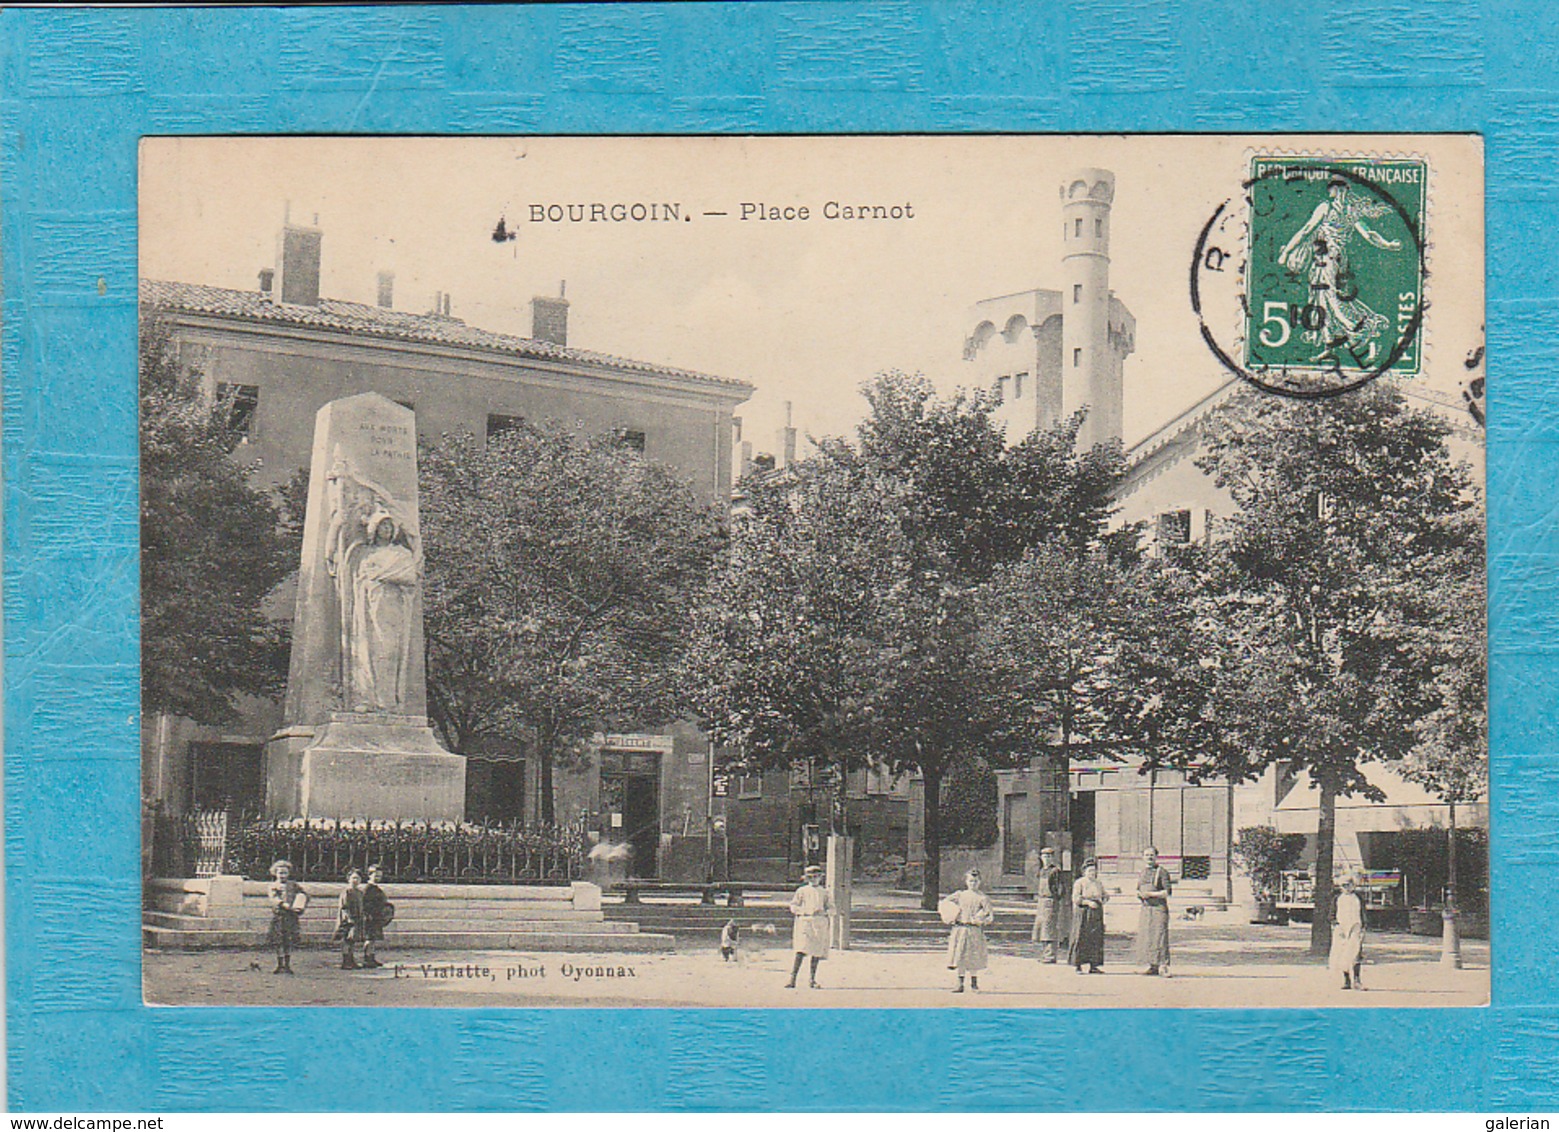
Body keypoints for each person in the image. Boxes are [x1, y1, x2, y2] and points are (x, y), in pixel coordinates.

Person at [945, 869, 995, 993]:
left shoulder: (983, 898)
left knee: (973, 957)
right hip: (960, 929)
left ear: (980, 882)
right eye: (971, 881)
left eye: (976, 881)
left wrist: (981, 920)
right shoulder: (960, 895)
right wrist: (951, 915)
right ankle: (960, 984)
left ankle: (974, 984)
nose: (973, 883)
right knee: (960, 956)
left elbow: (990, 916)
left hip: (974, 930)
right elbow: (945, 904)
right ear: (966, 881)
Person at [785, 864, 834, 989]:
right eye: (811, 877)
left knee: (816, 951)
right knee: (801, 950)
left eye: (816, 877)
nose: (814, 879)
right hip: (805, 922)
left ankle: (812, 979)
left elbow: (832, 908)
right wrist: (803, 911)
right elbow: (793, 906)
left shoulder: (825, 892)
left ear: (820, 877)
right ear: (807, 878)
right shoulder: (802, 891)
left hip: (819, 923)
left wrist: (825, 912)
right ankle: (792, 979)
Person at [1135, 847, 1173, 976]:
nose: (1149, 857)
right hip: (1146, 909)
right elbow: (1138, 889)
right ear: (1143, 857)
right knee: (1148, 937)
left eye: (1152, 855)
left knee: (1160, 936)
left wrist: (1150, 894)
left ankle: (1163, 966)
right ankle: (1153, 966)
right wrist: (1140, 894)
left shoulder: (1162, 872)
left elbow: (1166, 892)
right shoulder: (1142, 872)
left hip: (1159, 909)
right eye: (1146, 855)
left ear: (1156, 856)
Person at [1068, 858, 1108, 974]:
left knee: (1095, 938)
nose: (1092, 873)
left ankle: (1093, 965)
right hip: (1084, 912)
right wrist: (1088, 903)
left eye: (1094, 871)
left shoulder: (1098, 883)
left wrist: (1105, 898)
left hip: (1096, 913)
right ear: (1084, 871)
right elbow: (1076, 898)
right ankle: (1078, 965)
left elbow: (1104, 894)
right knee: (1081, 937)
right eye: (1090, 871)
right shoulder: (1079, 882)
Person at [266, 859, 306, 975]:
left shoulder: (293, 885)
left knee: (288, 941)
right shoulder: (273, 886)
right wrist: (283, 904)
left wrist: (300, 903)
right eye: (280, 873)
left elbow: (303, 894)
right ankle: (280, 964)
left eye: (285, 873)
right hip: (280, 916)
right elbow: (274, 898)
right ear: (275, 873)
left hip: (291, 916)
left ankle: (287, 965)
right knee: (278, 941)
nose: (282, 875)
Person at [1330, 870, 1367, 991]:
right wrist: (1336, 925)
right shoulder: (1337, 898)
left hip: (1355, 927)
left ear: (1353, 885)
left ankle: (1357, 980)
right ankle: (1346, 980)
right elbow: (1331, 915)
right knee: (1342, 954)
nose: (1346, 887)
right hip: (1341, 929)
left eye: (1349, 884)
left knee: (1355, 953)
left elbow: (1363, 913)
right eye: (1343, 885)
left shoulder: (1358, 898)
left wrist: (1364, 926)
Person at [1032, 846, 1066, 964]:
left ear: (1052, 858)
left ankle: (1051, 955)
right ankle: (1044, 954)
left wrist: (1055, 898)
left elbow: (1061, 888)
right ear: (1041, 858)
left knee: (1049, 929)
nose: (1046, 859)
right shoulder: (1042, 871)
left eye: (1049, 856)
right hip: (1041, 901)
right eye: (1044, 856)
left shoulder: (1055, 871)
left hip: (1050, 902)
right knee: (1042, 928)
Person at [360, 864, 390, 969]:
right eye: (375, 875)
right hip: (370, 917)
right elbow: (364, 904)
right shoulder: (368, 889)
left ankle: (371, 957)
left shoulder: (375, 888)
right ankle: (367, 959)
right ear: (369, 875)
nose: (378, 878)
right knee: (369, 938)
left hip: (376, 916)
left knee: (373, 939)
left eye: (379, 876)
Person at [335, 869, 365, 970]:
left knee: (353, 940)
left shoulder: (359, 892)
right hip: (347, 919)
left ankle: (351, 960)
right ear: (349, 879)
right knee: (346, 940)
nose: (355, 880)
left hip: (357, 918)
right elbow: (344, 906)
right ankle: (346, 961)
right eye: (353, 878)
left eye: (358, 878)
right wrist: (349, 918)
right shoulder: (346, 892)